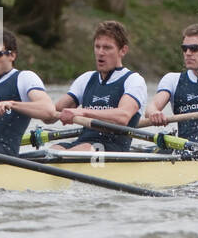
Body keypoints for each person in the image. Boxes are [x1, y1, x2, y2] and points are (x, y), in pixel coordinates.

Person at [52, 20, 147, 152]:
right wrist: (27, 106)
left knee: (82, 149)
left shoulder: (133, 80)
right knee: (53, 150)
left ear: (123, 50)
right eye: (97, 47)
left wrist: (83, 111)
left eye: (107, 48)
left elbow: (123, 116)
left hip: (114, 149)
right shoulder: (86, 79)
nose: (100, 52)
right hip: (83, 144)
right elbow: (52, 113)